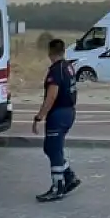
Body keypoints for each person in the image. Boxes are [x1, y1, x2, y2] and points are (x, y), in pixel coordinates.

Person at [32, 38, 80, 202]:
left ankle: (58, 186)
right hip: (69, 111)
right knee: (50, 148)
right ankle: (69, 177)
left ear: (50, 52)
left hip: (58, 114)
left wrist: (39, 116)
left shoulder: (56, 71)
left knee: (54, 149)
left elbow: (51, 96)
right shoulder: (68, 67)